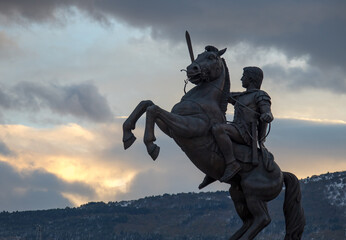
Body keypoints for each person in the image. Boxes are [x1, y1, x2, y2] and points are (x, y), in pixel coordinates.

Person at [199, 66, 273, 189]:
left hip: (247, 133)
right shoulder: (240, 96)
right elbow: (220, 94)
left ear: (251, 79)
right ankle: (215, 168)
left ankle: (231, 164)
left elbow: (267, 111)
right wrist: (205, 81)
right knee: (211, 130)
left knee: (219, 129)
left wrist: (267, 115)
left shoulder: (260, 95)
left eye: (243, 76)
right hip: (236, 129)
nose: (241, 79)